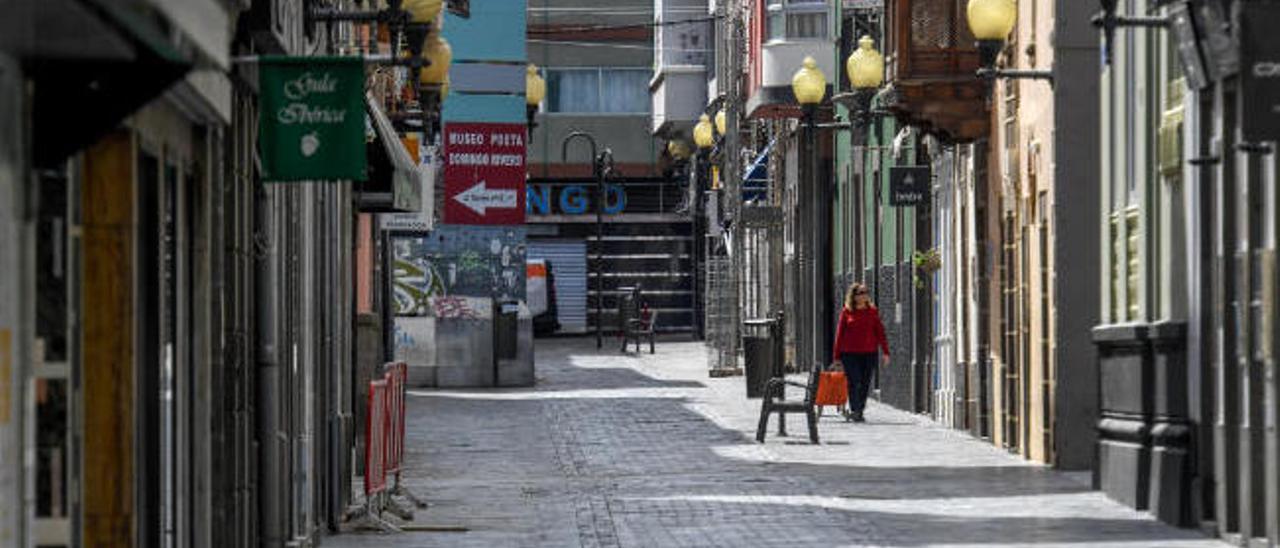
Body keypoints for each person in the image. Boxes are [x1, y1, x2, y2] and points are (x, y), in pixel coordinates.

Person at [832, 282, 890, 422]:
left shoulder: (872, 311)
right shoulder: (846, 312)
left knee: (865, 382)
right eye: (861, 293)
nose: (865, 295)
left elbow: (880, 332)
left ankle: (860, 409)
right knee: (854, 381)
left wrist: (885, 352)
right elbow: (839, 334)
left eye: (866, 292)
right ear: (855, 296)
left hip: (869, 352)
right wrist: (836, 356)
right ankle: (855, 409)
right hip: (849, 353)